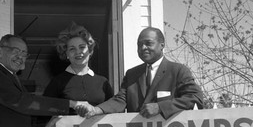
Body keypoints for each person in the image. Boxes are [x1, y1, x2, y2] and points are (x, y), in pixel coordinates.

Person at [39, 23, 114, 127]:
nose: (78, 52)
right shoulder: (57, 82)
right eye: (72, 49)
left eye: (82, 47)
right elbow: (44, 113)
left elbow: (113, 111)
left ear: (90, 49)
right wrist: (53, 121)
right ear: (66, 54)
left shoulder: (103, 82)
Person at [75, 27, 203, 119]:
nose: (143, 48)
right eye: (139, 45)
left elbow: (194, 98)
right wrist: (96, 110)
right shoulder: (132, 74)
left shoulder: (178, 71)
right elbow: (120, 100)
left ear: (162, 45)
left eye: (148, 43)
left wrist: (160, 107)